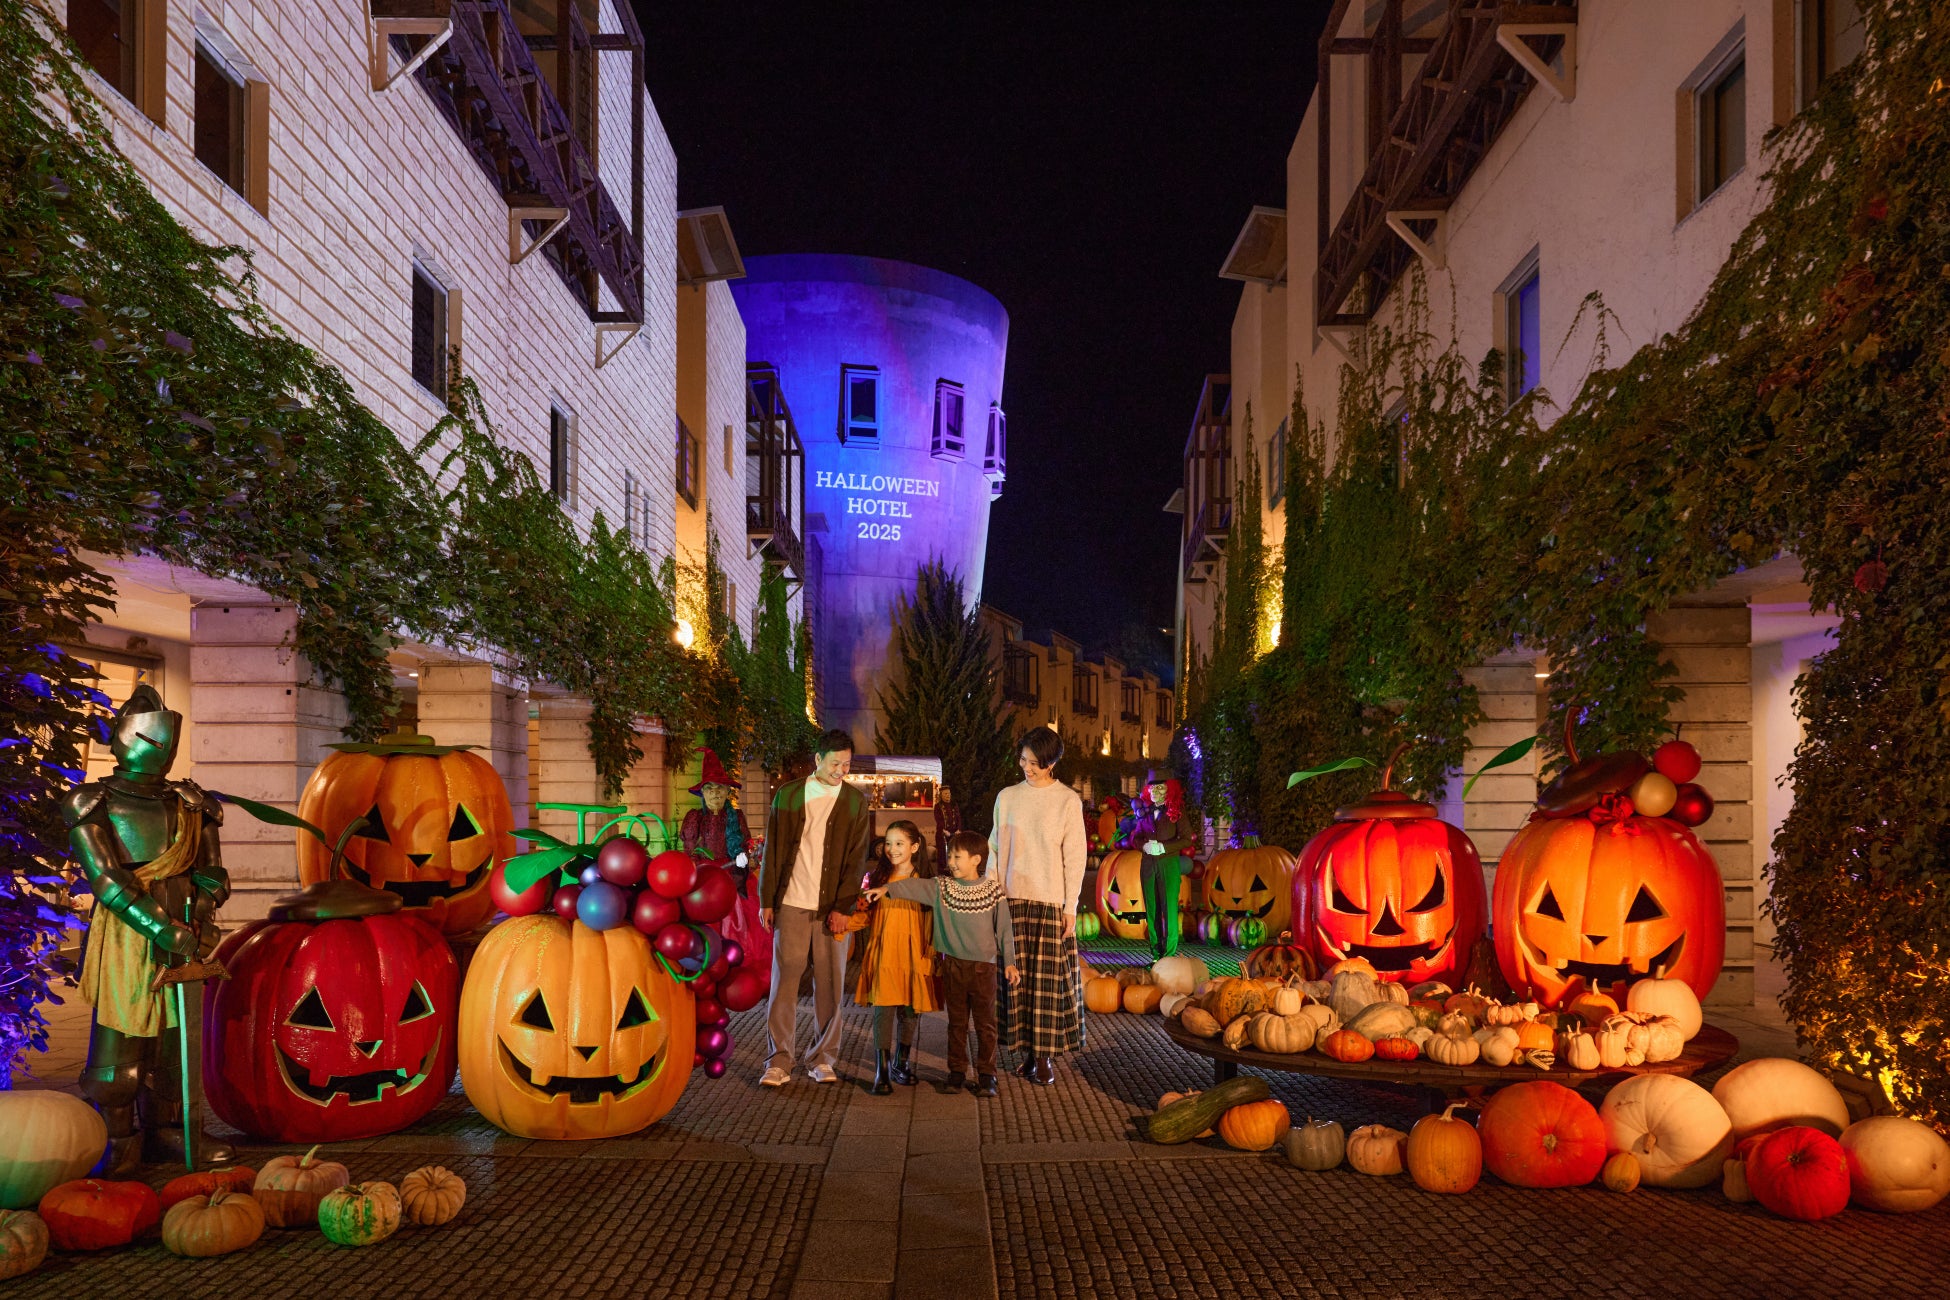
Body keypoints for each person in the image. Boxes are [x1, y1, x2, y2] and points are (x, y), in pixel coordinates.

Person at [63, 685, 232, 1172]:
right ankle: (116, 1139)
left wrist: (201, 905)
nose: (160, 749)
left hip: (187, 925)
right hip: (128, 931)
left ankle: (174, 1132)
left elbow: (212, 868)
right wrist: (157, 926)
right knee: (121, 1037)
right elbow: (107, 879)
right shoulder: (91, 802)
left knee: (175, 1040)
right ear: (122, 737)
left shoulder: (193, 802)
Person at [757, 729, 874, 1087]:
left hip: (830, 910)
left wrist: (843, 906)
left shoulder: (855, 802)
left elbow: (857, 861)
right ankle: (779, 1061)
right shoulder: (790, 795)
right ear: (817, 760)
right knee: (784, 982)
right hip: (791, 902)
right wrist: (767, 899)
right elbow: (773, 850)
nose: (841, 770)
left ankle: (823, 1058)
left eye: (847, 764)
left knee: (831, 984)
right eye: (835, 763)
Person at [864, 830, 1019, 1096]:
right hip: (953, 967)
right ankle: (956, 1072)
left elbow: (1004, 929)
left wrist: (1010, 962)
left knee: (986, 1024)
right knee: (956, 1024)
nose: (952, 862)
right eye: (950, 856)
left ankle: (987, 1075)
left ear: (976, 859)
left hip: (984, 969)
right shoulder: (942, 887)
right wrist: (886, 889)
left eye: (958, 856)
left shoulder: (993, 891)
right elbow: (914, 887)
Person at [989, 726, 1086, 1086]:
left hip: (1049, 903)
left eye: (1034, 763)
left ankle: (1043, 1059)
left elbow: (1075, 858)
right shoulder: (1007, 797)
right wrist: (992, 897)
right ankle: (1026, 1053)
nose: (1026, 767)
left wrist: (1070, 906)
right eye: (1023, 760)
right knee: (1017, 983)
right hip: (1011, 899)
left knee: (1045, 986)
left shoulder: (1067, 801)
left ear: (1052, 763)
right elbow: (995, 849)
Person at [853, 820, 938, 1094]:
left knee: (910, 1011)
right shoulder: (875, 878)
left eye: (899, 843)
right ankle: (881, 1068)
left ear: (915, 847)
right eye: (888, 843)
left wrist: (933, 954)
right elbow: (864, 915)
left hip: (915, 952)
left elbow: (934, 920)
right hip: (885, 950)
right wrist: (841, 923)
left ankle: (902, 1062)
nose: (891, 849)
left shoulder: (925, 882)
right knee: (883, 1009)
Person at [1133, 774, 1194, 960]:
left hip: (1168, 865)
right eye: (1152, 788)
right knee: (1152, 910)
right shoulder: (1146, 812)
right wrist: (1143, 845)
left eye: (1160, 787)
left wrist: (1163, 848)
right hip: (1148, 866)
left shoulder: (1177, 812)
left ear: (1170, 790)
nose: (1155, 791)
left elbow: (1186, 839)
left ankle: (1168, 955)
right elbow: (1134, 837)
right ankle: (1155, 954)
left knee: (1169, 910)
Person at [680, 747, 747, 876]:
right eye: (709, 787)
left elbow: (746, 844)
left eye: (720, 787)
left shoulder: (737, 817)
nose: (715, 792)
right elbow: (690, 852)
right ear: (702, 792)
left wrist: (743, 856)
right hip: (703, 875)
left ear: (728, 790)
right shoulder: (695, 818)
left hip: (730, 874)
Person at [932, 782, 961, 863]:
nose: (948, 795)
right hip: (943, 834)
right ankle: (942, 872)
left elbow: (958, 818)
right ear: (941, 795)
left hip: (954, 834)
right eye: (945, 794)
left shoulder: (954, 804)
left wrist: (958, 829)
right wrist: (944, 831)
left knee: (954, 852)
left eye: (949, 793)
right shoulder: (938, 806)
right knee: (943, 855)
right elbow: (938, 820)